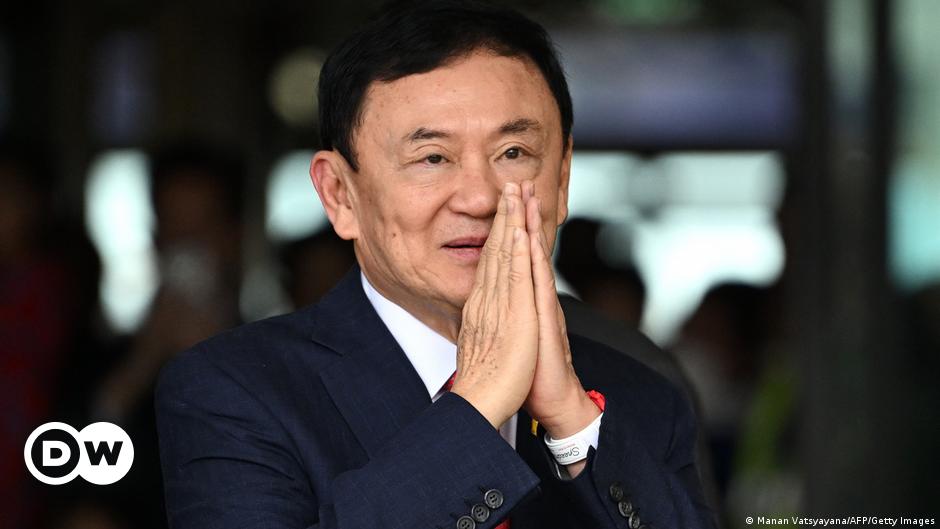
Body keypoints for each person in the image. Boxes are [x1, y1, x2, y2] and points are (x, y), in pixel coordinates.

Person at [155, 2, 715, 528]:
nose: (478, 198)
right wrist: (479, 401)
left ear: (561, 179)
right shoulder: (231, 391)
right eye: (432, 158)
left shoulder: (640, 397)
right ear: (340, 196)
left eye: (513, 154)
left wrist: (571, 423)